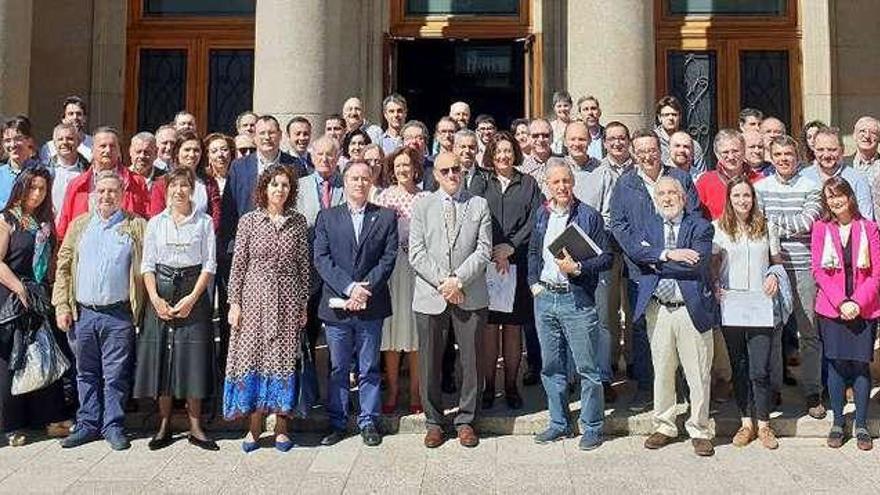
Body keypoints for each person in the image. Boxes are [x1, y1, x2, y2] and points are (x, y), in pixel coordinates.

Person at [54, 170, 147, 451]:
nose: (107, 196)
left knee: (116, 375)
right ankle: (87, 423)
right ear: (94, 194)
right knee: (85, 373)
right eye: (102, 191)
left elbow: (147, 267)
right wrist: (61, 305)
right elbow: (63, 266)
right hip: (83, 313)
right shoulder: (80, 225)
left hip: (118, 314)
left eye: (113, 192)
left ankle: (113, 425)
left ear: (123, 195)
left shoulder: (136, 226)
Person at [626, 177, 719, 457]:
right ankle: (664, 425)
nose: (667, 198)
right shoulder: (648, 226)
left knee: (698, 372)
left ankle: (700, 429)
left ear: (684, 197)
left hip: (690, 309)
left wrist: (656, 261)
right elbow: (635, 253)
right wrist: (670, 253)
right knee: (663, 370)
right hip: (659, 308)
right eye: (661, 193)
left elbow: (697, 265)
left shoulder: (700, 226)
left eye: (672, 193)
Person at [609, 129, 700, 412]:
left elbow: (695, 215)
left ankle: (682, 388)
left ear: (660, 150)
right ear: (634, 154)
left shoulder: (681, 178)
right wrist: (645, 253)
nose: (647, 155)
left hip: (679, 268)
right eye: (641, 151)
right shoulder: (625, 184)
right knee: (641, 329)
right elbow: (619, 226)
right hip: (642, 270)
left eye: (652, 150)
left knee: (682, 328)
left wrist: (676, 253)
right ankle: (647, 388)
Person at [223, 165, 311, 453]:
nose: (280, 190)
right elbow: (238, 265)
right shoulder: (249, 221)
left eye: (285, 185)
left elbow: (303, 266)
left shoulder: (297, 222)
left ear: (291, 190)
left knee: (284, 361)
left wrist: (302, 305)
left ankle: (282, 427)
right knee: (253, 359)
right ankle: (254, 427)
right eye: (274, 185)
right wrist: (234, 302)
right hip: (253, 299)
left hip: (286, 299)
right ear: (264, 188)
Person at [528, 161, 612, 450]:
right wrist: (533, 285)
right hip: (546, 298)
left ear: (572, 182)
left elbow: (606, 258)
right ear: (547, 186)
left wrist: (578, 267)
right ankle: (559, 423)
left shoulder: (588, 216)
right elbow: (532, 252)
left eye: (566, 181)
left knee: (587, 367)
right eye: (556, 183)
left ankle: (591, 426)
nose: (562, 187)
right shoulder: (541, 214)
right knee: (551, 366)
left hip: (576, 299)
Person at [410, 152, 491, 449]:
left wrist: (458, 281)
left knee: (471, 362)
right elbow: (416, 252)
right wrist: (445, 283)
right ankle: (434, 422)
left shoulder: (479, 204)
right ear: (436, 175)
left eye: (456, 168)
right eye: (445, 170)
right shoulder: (422, 205)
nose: (452, 174)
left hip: (469, 293)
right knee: (430, 362)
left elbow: (484, 251)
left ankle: (467, 420)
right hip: (431, 294)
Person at [134, 167, 218, 451]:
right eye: (173, 185)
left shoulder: (204, 222)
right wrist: (155, 299)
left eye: (184, 185)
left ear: (192, 189)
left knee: (192, 359)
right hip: (162, 291)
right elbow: (147, 264)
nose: (178, 190)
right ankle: (164, 423)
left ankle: (195, 426)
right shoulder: (155, 223)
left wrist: (193, 298)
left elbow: (210, 264)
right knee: (163, 361)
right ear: (166, 190)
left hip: (193, 293)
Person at [314, 161, 398, 447]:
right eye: (354, 178)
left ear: (371, 182)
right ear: (344, 181)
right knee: (338, 368)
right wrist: (349, 287)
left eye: (365, 178)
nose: (360, 183)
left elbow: (388, 259)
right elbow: (322, 259)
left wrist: (364, 290)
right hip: (337, 305)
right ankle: (337, 421)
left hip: (370, 305)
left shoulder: (386, 217)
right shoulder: (327, 217)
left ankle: (369, 421)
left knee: (369, 367)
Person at [470, 132, 542, 410]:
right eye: (498, 151)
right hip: (486, 264)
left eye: (508, 151)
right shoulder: (480, 182)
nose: (503, 156)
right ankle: (489, 387)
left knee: (513, 329)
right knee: (489, 328)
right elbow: (473, 217)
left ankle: (511, 386)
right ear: (491, 154)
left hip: (517, 262)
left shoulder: (528, 183)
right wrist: (491, 249)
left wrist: (510, 247)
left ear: (515, 153)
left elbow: (535, 219)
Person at [754, 135, 824, 418]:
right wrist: (773, 227)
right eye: (779, 154)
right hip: (772, 267)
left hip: (805, 266)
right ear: (771, 157)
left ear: (798, 158)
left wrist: (772, 225)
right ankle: (773, 389)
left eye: (789, 155)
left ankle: (812, 391)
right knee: (773, 331)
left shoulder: (812, 187)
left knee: (808, 331)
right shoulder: (760, 188)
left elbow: (807, 223)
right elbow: (757, 223)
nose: (784, 159)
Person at [712, 176, 783, 449]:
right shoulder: (718, 228)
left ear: (753, 198)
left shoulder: (766, 226)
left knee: (759, 368)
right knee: (739, 367)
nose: (742, 201)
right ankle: (746, 423)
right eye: (737, 196)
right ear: (729, 200)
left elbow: (777, 262)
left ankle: (764, 425)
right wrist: (716, 284)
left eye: (747, 196)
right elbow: (714, 265)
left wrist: (774, 275)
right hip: (732, 307)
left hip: (760, 306)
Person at [0, 168, 69, 447]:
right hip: (10, 295)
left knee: (43, 355)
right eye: (32, 188)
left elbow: (50, 262)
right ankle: (10, 426)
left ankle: (49, 419)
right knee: (9, 361)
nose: (37, 195)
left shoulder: (43, 222)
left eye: (42, 189)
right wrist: (18, 287)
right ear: (21, 188)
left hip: (38, 295)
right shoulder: (7, 220)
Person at [812, 177, 879, 451]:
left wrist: (857, 303)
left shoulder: (870, 228)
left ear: (849, 196)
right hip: (832, 308)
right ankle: (838, 422)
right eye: (830, 197)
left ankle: (861, 424)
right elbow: (818, 270)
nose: (835, 201)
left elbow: (876, 273)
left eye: (839, 195)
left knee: (861, 366)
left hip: (865, 308)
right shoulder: (821, 229)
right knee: (836, 365)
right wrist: (841, 302)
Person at [375, 147, 426, 416]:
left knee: (416, 333)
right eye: (397, 165)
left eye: (407, 164)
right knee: (392, 333)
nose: (402, 169)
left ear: (415, 168)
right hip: (392, 272)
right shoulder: (384, 198)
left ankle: (416, 391)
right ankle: (394, 390)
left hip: (419, 273)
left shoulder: (427, 198)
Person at [219, 115, 304, 273]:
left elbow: (301, 204)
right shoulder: (238, 167)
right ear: (255, 137)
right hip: (247, 248)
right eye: (262, 133)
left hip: (284, 249)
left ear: (280, 135)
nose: (267, 137)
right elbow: (229, 210)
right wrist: (230, 247)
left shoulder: (295, 166)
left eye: (271, 133)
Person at [295, 135, 346, 356]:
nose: (325, 159)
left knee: (340, 333)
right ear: (312, 157)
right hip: (308, 271)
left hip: (339, 269)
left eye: (330, 154)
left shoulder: (348, 184)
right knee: (309, 331)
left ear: (337, 158)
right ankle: (310, 386)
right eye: (320, 154)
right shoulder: (299, 186)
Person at [56, 127, 150, 241]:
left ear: (119, 151)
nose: (108, 150)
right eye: (102, 146)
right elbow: (64, 229)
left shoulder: (137, 182)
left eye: (112, 146)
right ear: (92, 150)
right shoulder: (76, 185)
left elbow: (146, 221)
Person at [148, 130, 222, 232]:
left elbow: (216, 214)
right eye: (187, 150)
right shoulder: (161, 183)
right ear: (177, 153)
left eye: (196, 150)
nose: (192, 154)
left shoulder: (209, 183)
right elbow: (156, 218)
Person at [801, 127, 873, 220]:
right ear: (814, 150)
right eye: (820, 150)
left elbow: (866, 218)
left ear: (842, 150)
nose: (826, 155)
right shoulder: (803, 177)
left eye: (832, 150)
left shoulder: (858, 179)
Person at [696, 129, 762, 220]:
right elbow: (696, 217)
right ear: (717, 154)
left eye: (735, 151)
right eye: (725, 152)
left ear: (743, 151)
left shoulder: (759, 181)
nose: (731, 157)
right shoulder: (705, 182)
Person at [654, 96, 706, 174]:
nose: (670, 118)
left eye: (674, 115)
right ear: (659, 118)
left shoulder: (692, 145)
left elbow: (701, 175)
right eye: (666, 115)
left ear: (680, 117)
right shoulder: (653, 143)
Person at [48, 123, 88, 219]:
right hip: (50, 228)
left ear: (78, 142)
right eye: (60, 139)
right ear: (54, 143)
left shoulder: (88, 171)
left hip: (78, 228)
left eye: (70, 139)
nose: (64, 142)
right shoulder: (44, 170)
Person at [39, 95, 93, 163]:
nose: (75, 117)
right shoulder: (49, 148)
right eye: (71, 114)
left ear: (84, 118)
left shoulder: (93, 144)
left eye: (79, 114)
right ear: (63, 119)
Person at [0, 117, 40, 207]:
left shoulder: (43, 173)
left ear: (29, 141)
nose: (12, 145)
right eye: (7, 140)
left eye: (18, 139)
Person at [519, 119, 555, 197]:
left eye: (545, 135)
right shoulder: (522, 170)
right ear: (528, 138)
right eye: (535, 136)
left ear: (552, 137)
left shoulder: (563, 163)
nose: (541, 140)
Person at [577, 95, 604, 160]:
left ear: (599, 112)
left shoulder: (607, 135)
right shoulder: (574, 137)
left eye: (593, 108)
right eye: (586, 109)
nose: (590, 113)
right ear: (579, 115)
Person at [549, 90, 573, 155]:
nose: (562, 109)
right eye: (559, 106)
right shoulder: (550, 126)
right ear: (554, 108)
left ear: (571, 106)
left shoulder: (575, 126)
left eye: (565, 105)